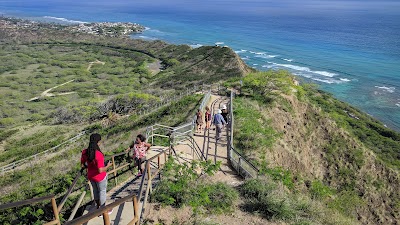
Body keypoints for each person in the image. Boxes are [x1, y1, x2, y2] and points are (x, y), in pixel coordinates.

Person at [81, 133, 112, 213]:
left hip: (91, 176)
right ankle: (102, 210)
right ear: (98, 142)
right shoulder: (98, 154)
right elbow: (100, 170)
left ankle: (98, 207)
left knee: (95, 191)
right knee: (102, 191)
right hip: (100, 177)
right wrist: (108, 166)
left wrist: (89, 165)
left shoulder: (84, 152)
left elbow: (83, 165)